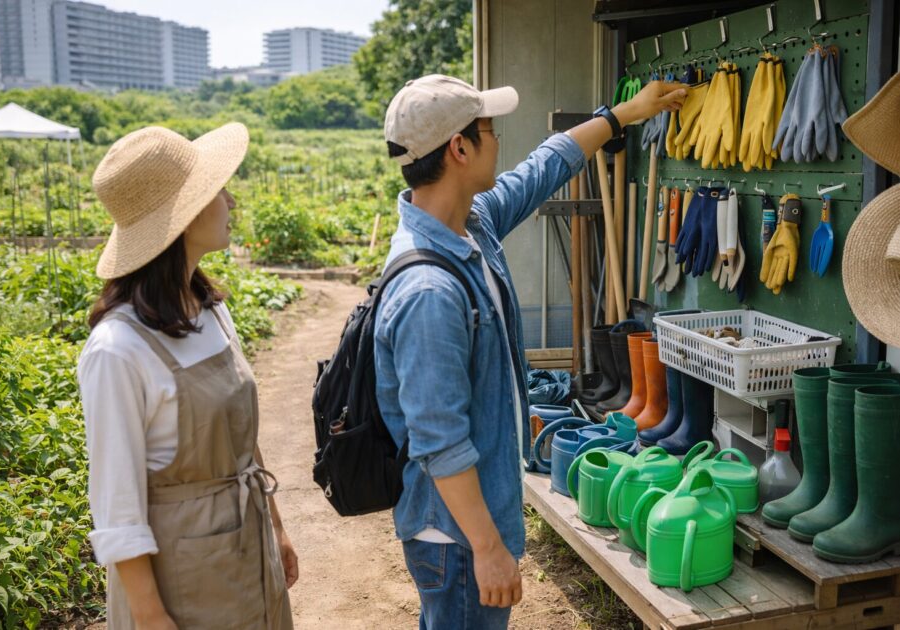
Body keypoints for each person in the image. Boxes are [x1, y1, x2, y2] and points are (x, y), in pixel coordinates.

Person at [374, 74, 685, 629]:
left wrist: (623, 115)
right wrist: (488, 549)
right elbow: (438, 442)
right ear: (460, 148)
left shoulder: (472, 225)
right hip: (456, 537)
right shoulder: (429, 292)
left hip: (472, 522)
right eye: (490, 131)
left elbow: (544, 167)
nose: (499, 143)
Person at [78, 123, 297, 629]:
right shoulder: (118, 349)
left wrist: (277, 530)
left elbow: (242, 440)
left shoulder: (209, 311)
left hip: (247, 550)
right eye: (219, 190)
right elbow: (117, 508)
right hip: (182, 580)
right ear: (189, 213)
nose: (231, 202)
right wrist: (152, 617)